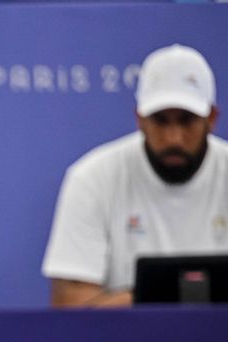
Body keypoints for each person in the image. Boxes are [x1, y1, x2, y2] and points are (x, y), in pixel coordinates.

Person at [43, 44, 226, 308]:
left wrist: (148, 297)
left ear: (212, 119)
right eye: (160, 120)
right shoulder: (92, 178)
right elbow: (70, 307)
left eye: (187, 120)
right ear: (139, 119)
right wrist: (171, 296)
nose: (174, 138)